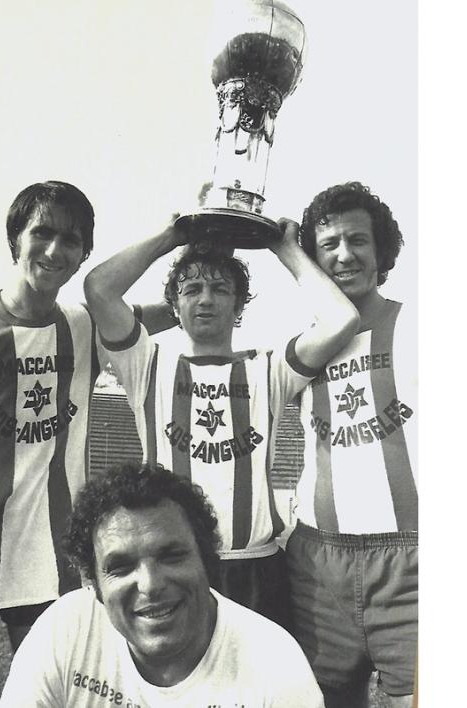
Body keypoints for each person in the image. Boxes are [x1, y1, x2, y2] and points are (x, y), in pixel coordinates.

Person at [0, 181, 175, 708]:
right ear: (14, 240)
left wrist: (189, 235)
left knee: (56, 698)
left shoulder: (83, 326)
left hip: (51, 558)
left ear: (84, 254)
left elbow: (176, 308)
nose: (54, 250)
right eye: (41, 232)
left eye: (71, 240)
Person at [82, 218, 361, 629]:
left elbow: (341, 319)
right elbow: (98, 289)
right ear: (175, 307)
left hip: (257, 568)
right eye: (192, 290)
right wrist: (171, 235)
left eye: (220, 289)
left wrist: (282, 247)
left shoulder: (269, 368)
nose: (206, 299)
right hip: (174, 567)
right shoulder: (148, 365)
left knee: (258, 688)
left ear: (239, 303)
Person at [0, 461, 325, 707]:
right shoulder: (64, 630)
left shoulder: (276, 664)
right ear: (94, 585)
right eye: (121, 567)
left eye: (171, 556)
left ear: (206, 562)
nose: (150, 585)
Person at [286, 181, 418, 708]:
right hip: (318, 565)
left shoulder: (418, 324)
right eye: (329, 245)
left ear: (381, 250)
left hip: (409, 560)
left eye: (358, 240)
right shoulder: (304, 346)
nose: (345, 255)